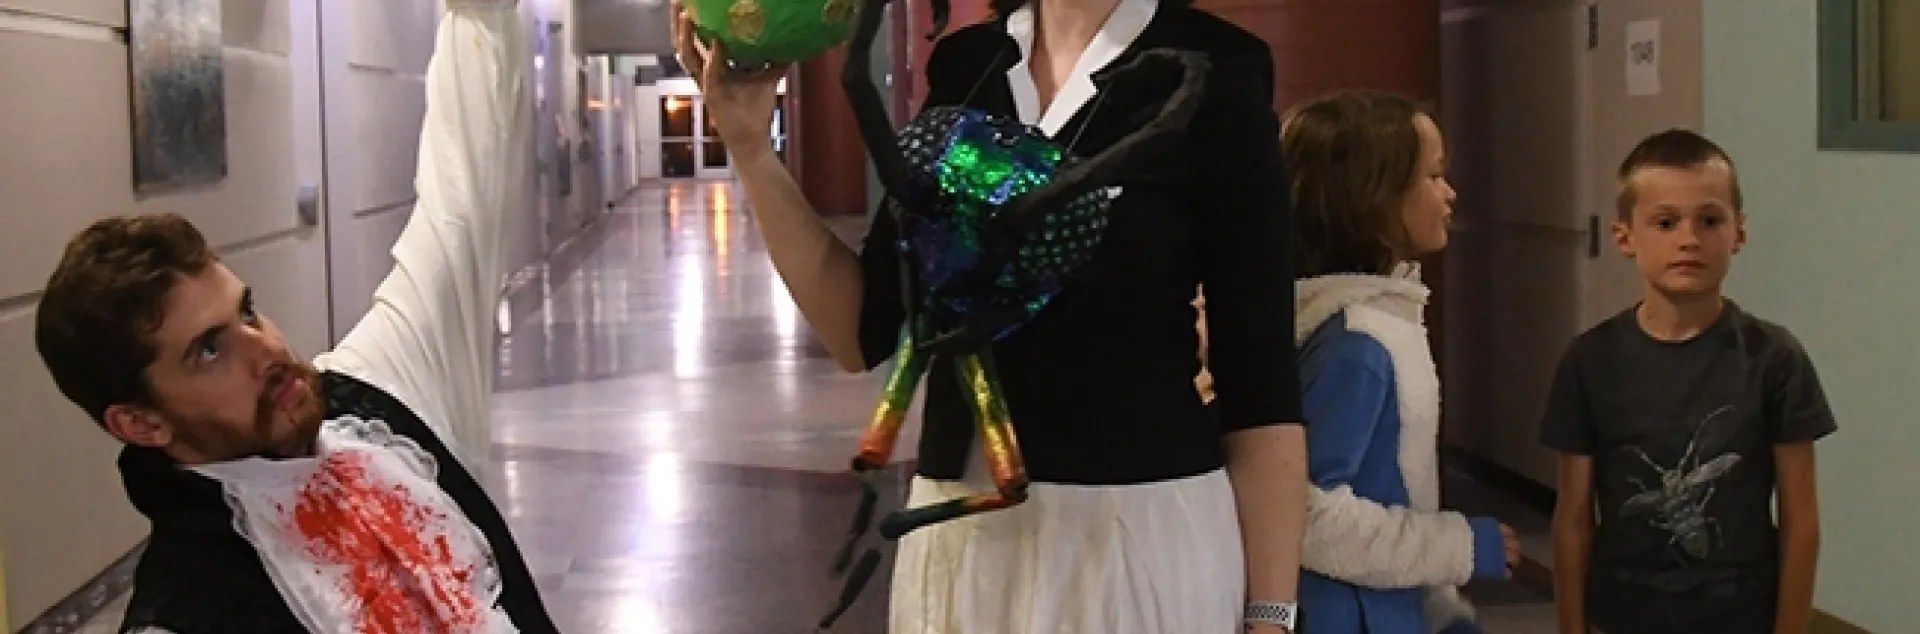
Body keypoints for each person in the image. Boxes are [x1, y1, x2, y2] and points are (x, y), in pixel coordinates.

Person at [672, 0, 1310, 630]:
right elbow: (859, 330)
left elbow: (1262, 385)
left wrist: (1271, 616)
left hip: (1137, 538)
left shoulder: (1215, 68)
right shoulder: (967, 65)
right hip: (960, 541)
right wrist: (752, 150)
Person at [30, 4, 560, 633]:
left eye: (248, 312)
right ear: (140, 422)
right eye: (209, 350)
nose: (265, 350)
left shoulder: (373, 403)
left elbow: (462, 202)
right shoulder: (188, 612)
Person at [1539, 129, 1835, 634]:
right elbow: (1572, 517)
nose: (1689, 239)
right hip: (1624, 615)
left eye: (1710, 220)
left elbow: (1801, 520)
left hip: (1741, 617)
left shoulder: (1775, 359)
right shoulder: (1590, 361)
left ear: (1738, 232)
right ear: (1625, 237)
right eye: (1665, 222)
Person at [1281, 90, 1519, 634]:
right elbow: (1307, 516)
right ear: (1372, 198)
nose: (1450, 194)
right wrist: (1456, 546)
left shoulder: (1381, 321)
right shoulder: (1355, 345)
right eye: (1434, 177)